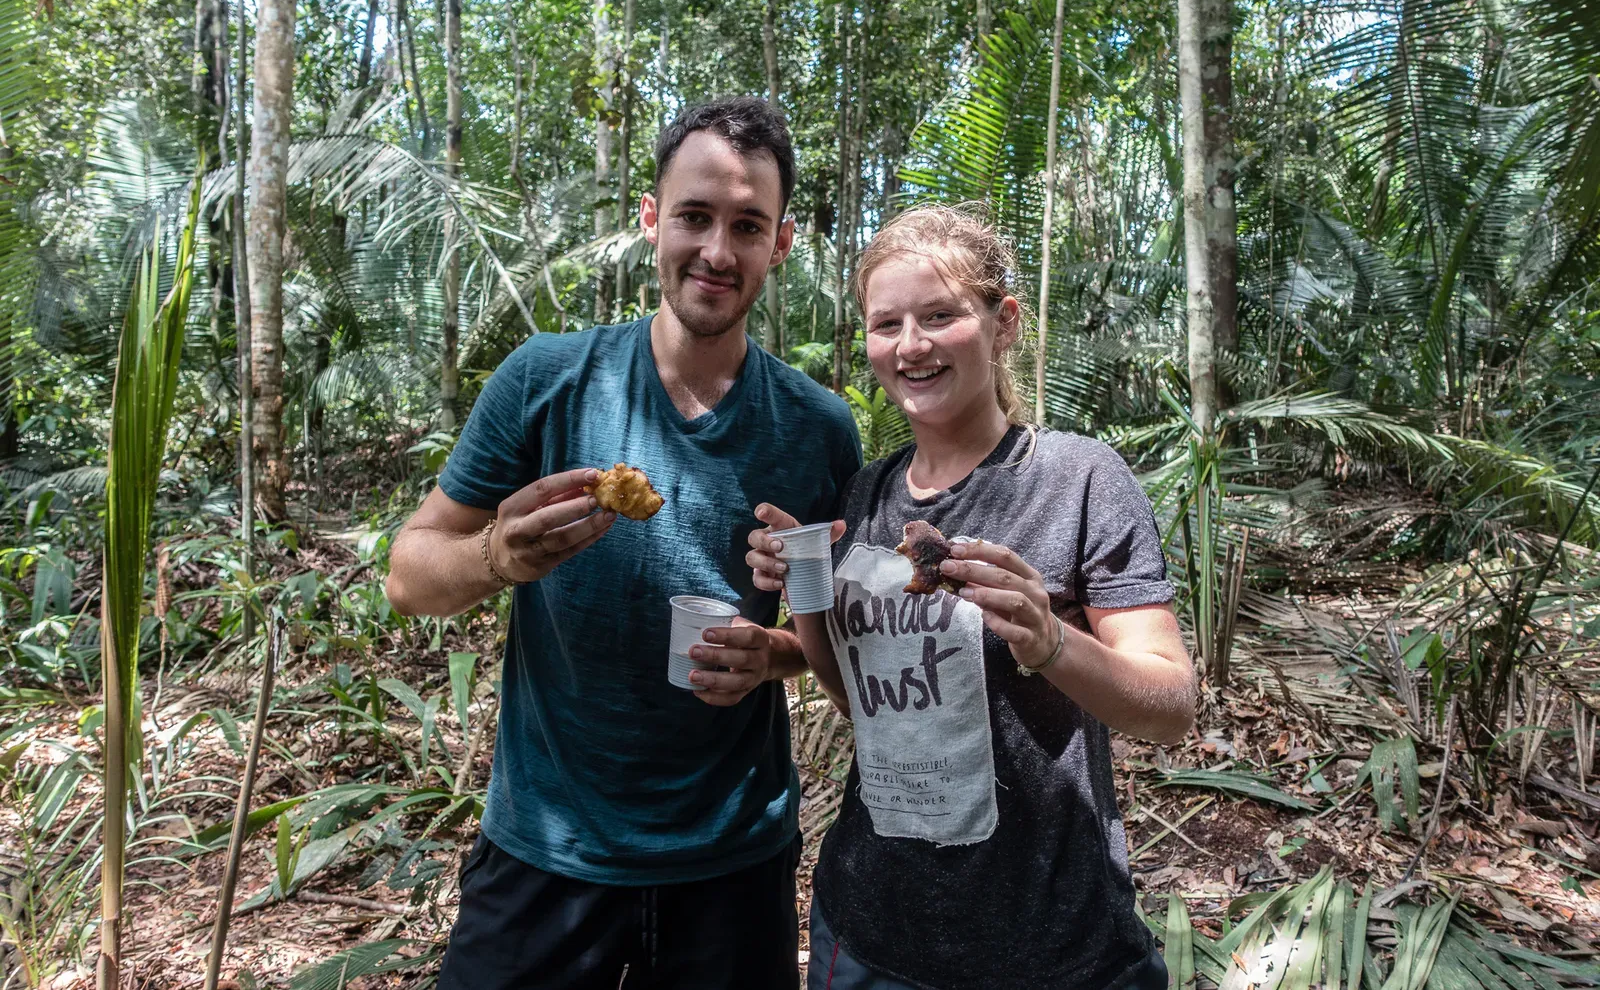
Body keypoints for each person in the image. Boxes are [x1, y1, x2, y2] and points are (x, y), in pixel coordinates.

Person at [386, 96, 862, 989]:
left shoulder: (820, 430)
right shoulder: (547, 381)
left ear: (781, 243)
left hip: (732, 860)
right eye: (695, 217)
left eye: (747, 226)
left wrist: (775, 655)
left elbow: (838, 639)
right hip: (547, 848)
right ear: (652, 221)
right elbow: (409, 576)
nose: (717, 251)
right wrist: (498, 557)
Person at [746, 205, 1196, 990]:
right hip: (871, 928)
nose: (911, 344)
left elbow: (1170, 706)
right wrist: (807, 577)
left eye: (940, 316)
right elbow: (864, 705)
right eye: (887, 324)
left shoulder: (1077, 479)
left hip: (1049, 938)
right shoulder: (868, 491)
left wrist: (1053, 642)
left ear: (1003, 323)